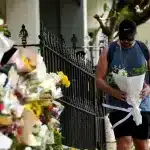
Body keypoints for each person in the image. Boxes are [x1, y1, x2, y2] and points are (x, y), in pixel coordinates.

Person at [96, 19, 150, 150]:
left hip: (142, 105)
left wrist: (149, 88)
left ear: (134, 35)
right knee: (124, 144)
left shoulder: (143, 49)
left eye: (129, 39)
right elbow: (98, 79)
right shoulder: (109, 50)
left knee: (142, 145)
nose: (125, 41)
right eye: (122, 38)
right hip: (118, 105)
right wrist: (113, 91)